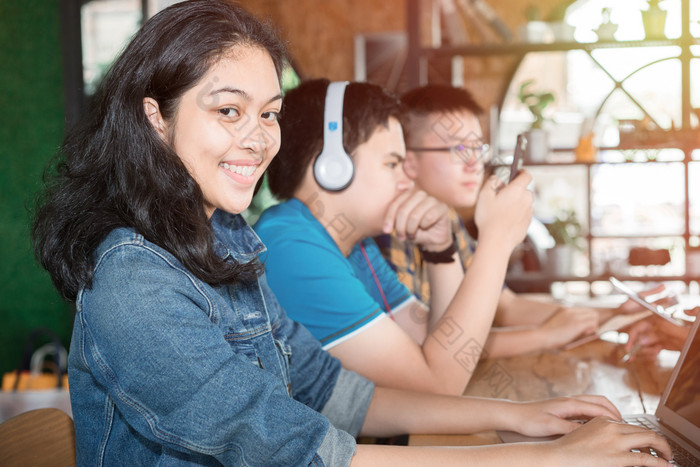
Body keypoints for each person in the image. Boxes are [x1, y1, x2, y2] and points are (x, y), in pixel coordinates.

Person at [31, 2, 673, 465]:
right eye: (229, 111)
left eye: (269, 114)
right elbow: (299, 449)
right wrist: (546, 460)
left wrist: (520, 418)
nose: (257, 138)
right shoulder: (135, 281)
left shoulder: (230, 243)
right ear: (157, 120)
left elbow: (334, 394)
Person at [255, 78, 537, 395]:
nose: (407, 180)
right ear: (331, 167)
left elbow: (445, 346)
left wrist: (440, 251)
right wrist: (497, 239)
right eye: (392, 163)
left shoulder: (355, 247)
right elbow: (439, 387)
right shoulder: (291, 248)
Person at [375, 84, 629, 358]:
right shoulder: (388, 231)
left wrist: (616, 315)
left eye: (477, 147)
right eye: (458, 148)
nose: (474, 163)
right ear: (408, 160)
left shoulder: (446, 218)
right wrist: (545, 336)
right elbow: (438, 346)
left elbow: (506, 306)